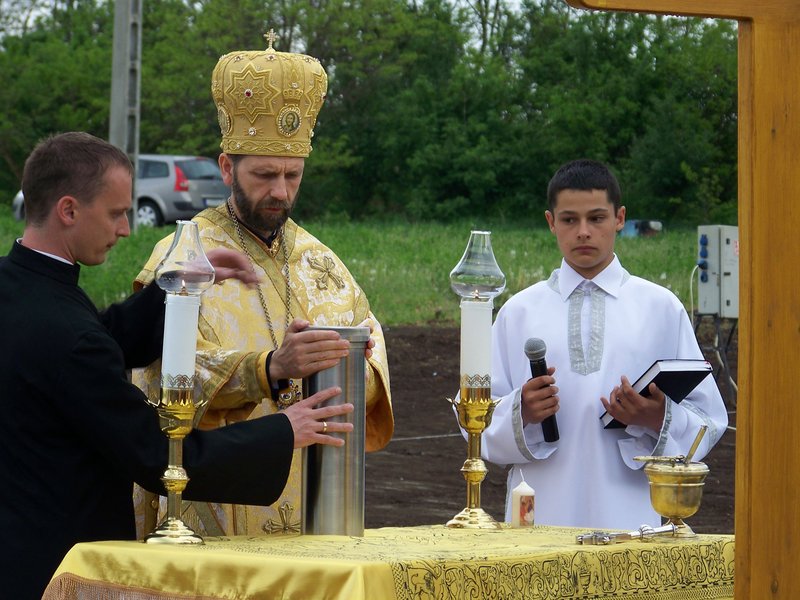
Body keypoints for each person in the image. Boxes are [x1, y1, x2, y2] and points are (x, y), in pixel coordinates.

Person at [0, 131, 355, 600]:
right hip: (55, 566)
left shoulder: (21, 287)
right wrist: (284, 430)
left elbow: (98, 338)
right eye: (116, 213)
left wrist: (177, 287)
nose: (125, 229)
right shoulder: (68, 335)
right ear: (68, 210)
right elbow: (155, 456)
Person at [132, 33, 393, 536]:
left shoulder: (322, 260)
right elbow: (158, 377)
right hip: (216, 498)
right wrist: (267, 368)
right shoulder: (182, 256)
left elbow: (371, 347)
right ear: (227, 167)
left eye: (293, 176)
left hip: (316, 501)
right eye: (265, 174)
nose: (280, 192)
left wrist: (347, 369)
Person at [479, 159, 728, 530]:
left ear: (619, 218)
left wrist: (655, 417)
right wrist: (522, 410)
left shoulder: (660, 307)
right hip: (541, 506)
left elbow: (709, 418)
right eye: (569, 219)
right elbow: (475, 420)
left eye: (596, 218)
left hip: (630, 510)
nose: (583, 232)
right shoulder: (518, 312)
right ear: (550, 222)